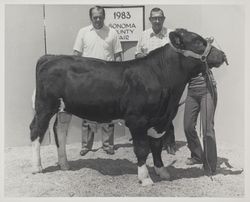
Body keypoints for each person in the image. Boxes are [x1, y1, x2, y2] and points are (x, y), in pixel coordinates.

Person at [72, 6, 122, 156]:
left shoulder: (112, 32)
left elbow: (118, 55)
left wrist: (118, 76)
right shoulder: (83, 32)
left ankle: (108, 145)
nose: (98, 19)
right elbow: (76, 55)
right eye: (95, 17)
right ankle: (86, 145)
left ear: (104, 17)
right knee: (87, 110)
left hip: (108, 79)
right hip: (89, 79)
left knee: (109, 111)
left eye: (100, 17)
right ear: (91, 18)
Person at [135, 7, 176, 155]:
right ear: (150, 20)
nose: (157, 20)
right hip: (148, 83)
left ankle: (169, 142)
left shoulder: (171, 34)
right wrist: (145, 58)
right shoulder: (144, 34)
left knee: (168, 111)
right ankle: (150, 142)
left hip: (167, 81)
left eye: (160, 18)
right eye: (154, 18)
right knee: (149, 112)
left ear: (163, 19)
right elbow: (137, 54)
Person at [184, 68, 218, 175]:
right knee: (188, 126)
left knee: (207, 129)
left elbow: (216, 58)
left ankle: (209, 164)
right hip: (192, 92)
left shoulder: (203, 50)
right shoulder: (185, 52)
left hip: (207, 91)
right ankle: (197, 155)